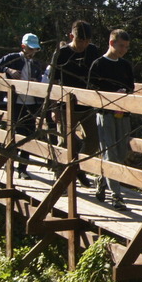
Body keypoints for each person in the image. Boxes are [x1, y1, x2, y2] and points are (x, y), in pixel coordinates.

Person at [49, 20, 101, 187]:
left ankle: (78, 169)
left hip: (87, 105)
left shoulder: (93, 51)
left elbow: (100, 76)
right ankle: (60, 180)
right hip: (65, 106)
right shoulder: (61, 53)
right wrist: (54, 108)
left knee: (94, 140)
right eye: (80, 41)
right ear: (72, 36)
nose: (83, 45)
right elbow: (53, 82)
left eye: (87, 41)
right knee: (64, 142)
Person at [87, 29, 135, 211]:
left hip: (123, 114)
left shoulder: (126, 66)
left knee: (122, 152)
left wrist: (125, 94)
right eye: (121, 45)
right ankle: (117, 196)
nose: (124, 50)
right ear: (112, 43)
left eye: (126, 47)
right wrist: (111, 95)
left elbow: (131, 87)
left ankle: (101, 178)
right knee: (110, 153)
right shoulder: (98, 64)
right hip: (105, 114)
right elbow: (92, 89)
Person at [0, 33, 47, 180]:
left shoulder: (35, 63)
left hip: (31, 103)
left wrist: (36, 80)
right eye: (30, 49)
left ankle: (23, 169)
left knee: (29, 135)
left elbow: (40, 78)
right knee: (14, 134)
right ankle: (9, 163)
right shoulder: (13, 58)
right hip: (15, 103)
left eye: (35, 49)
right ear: (23, 47)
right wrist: (8, 70)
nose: (33, 52)